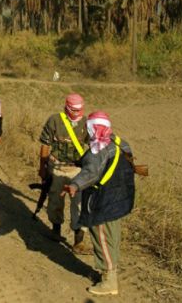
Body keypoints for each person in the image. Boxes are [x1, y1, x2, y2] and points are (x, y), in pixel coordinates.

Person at [63, 110, 135, 296]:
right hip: (119, 199)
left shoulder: (98, 150)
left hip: (102, 202)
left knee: (102, 239)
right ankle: (110, 273)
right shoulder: (120, 143)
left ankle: (109, 281)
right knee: (112, 239)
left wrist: (74, 185)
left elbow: (92, 173)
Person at [38, 93, 91, 255]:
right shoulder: (55, 120)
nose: (77, 112)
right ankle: (55, 231)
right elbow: (45, 145)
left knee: (80, 205)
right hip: (58, 167)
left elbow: (94, 146)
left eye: (79, 109)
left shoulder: (86, 122)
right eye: (74, 110)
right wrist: (43, 168)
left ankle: (79, 241)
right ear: (67, 107)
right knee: (55, 200)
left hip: (78, 170)